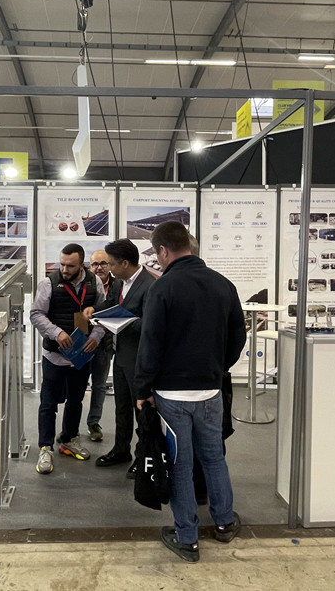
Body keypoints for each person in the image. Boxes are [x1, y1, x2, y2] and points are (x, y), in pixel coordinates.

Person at [134, 221, 246, 563]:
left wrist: (143, 388)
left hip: (171, 395)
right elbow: (238, 336)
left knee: (180, 465)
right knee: (213, 457)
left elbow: (150, 343)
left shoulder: (162, 288)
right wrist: (217, 369)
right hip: (210, 391)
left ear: (163, 250)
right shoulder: (223, 284)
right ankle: (224, 522)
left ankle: (187, 538)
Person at [29, 243, 106, 475]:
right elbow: (36, 314)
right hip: (54, 356)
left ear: (81, 264)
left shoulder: (95, 282)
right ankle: (45, 447)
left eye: (70, 266)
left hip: (81, 356)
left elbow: (103, 313)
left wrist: (96, 337)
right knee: (48, 403)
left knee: (76, 400)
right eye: (62, 264)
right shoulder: (48, 284)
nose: (64, 269)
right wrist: (56, 333)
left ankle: (69, 439)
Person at [85, 239, 154, 473]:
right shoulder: (119, 284)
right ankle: (121, 449)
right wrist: (95, 311)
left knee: (141, 410)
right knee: (121, 407)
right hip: (121, 355)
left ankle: (143, 458)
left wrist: (121, 322)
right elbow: (111, 304)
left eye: (112, 264)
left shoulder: (149, 286)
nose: (109, 269)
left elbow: (150, 326)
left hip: (139, 359)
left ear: (125, 263)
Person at [83, 249, 114, 442]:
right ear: (89, 266)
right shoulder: (84, 285)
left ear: (110, 265)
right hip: (83, 342)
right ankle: (70, 426)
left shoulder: (118, 285)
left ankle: (93, 422)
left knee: (100, 385)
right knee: (77, 385)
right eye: (95, 264)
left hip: (105, 343)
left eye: (103, 263)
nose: (99, 267)